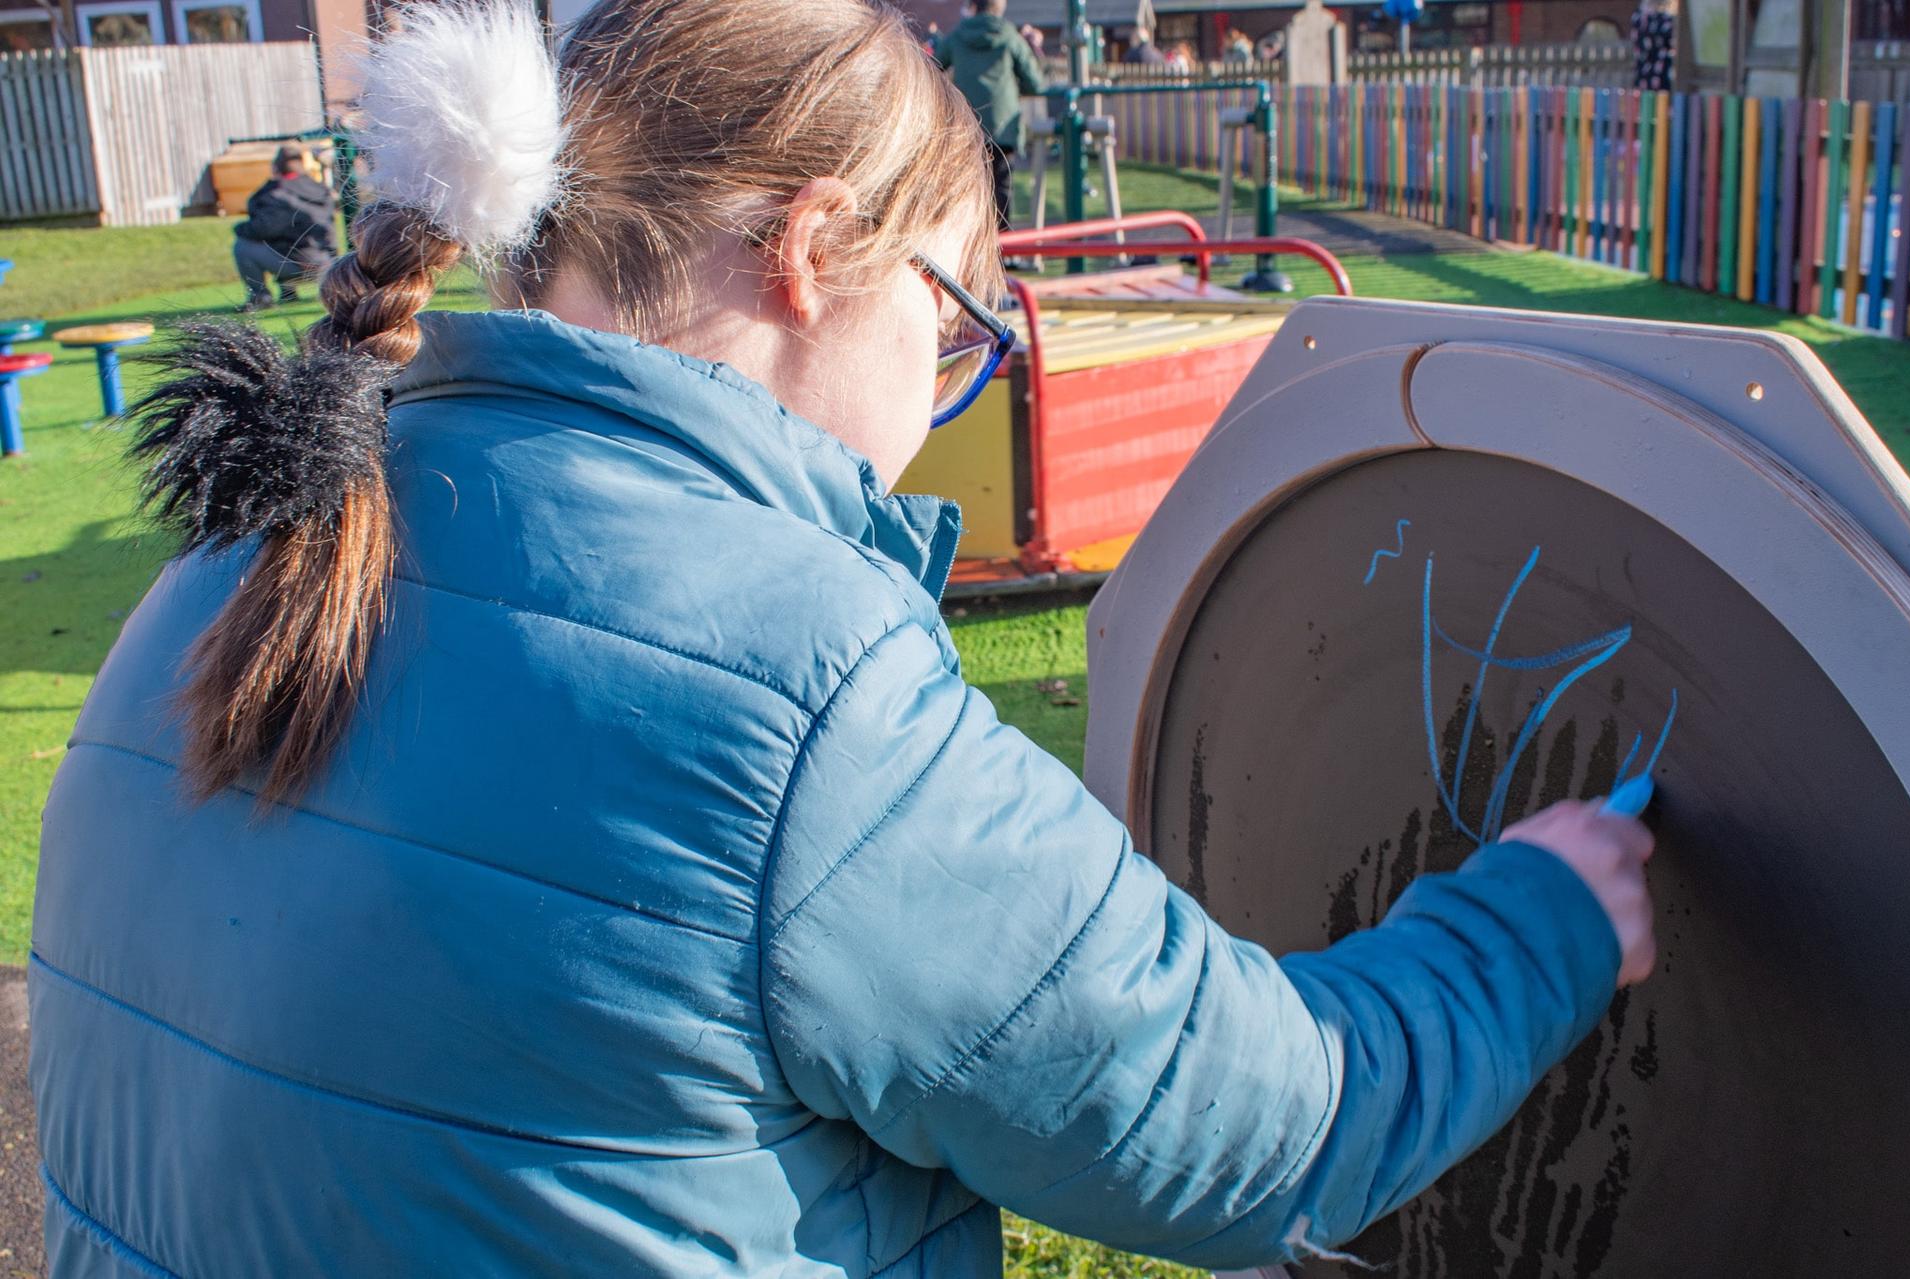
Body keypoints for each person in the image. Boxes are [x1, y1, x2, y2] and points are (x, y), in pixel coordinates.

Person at [30, 1, 1656, 1275]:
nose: (943, 395)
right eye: (954, 329)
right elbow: (1262, 1133)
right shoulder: (793, 680)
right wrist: (1544, 915)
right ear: (813, 253)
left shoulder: (243, 554)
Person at [935, 0, 1045, 230]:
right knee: (1002, 188)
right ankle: (1003, 244)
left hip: (967, 124)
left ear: (974, 5)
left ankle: (973, 242)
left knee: (970, 189)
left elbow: (932, 67)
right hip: (1002, 125)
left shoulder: (957, 36)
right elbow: (1035, 83)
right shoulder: (1010, 36)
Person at [230, 143, 337, 312]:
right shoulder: (319, 188)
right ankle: (288, 293)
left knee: (244, 245)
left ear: (276, 166)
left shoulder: (277, 193)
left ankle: (260, 297)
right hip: (329, 263)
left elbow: (264, 229)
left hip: (302, 266)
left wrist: (238, 228)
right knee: (288, 238)